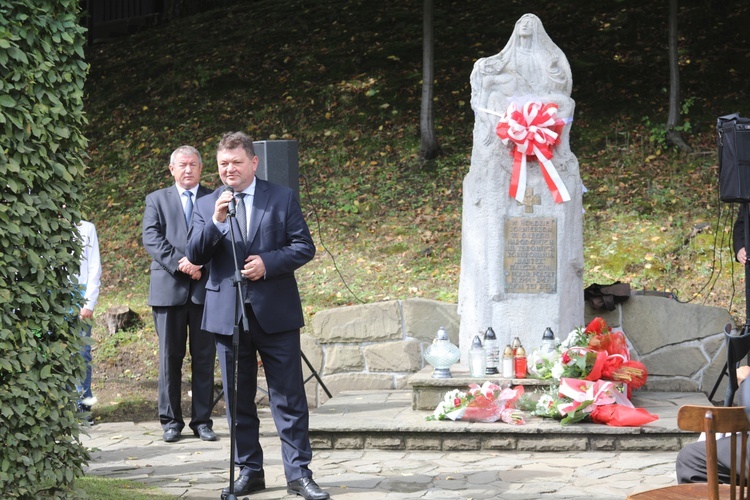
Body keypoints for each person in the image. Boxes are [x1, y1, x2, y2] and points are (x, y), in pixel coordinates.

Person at [187, 132, 327, 500]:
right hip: (226, 315)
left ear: (253, 162)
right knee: (239, 400)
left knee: (289, 398)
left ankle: (299, 475)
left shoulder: (280, 197)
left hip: (275, 313)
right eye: (222, 164)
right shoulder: (206, 204)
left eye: (235, 162)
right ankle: (250, 472)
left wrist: (268, 263)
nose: (229, 170)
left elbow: (303, 246)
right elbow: (195, 255)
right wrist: (216, 222)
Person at [142, 145, 217, 443]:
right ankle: (171, 422)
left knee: (204, 357)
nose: (188, 170)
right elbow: (151, 237)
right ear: (172, 169)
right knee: (169, 358)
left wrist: (201, 265)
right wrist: (183, 265)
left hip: (206, 289)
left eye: (193, 165)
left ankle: (202, 421)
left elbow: (224, 237)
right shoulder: (156, 199)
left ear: (201, 168)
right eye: (182, 165)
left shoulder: (215, 198)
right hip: (168, 290)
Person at [73, 219, 102, 423]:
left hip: (80, 296)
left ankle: (83, 408)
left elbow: (94, 266)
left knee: (82, 354)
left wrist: (89, 302)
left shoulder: (86, 228)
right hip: (50, 297)